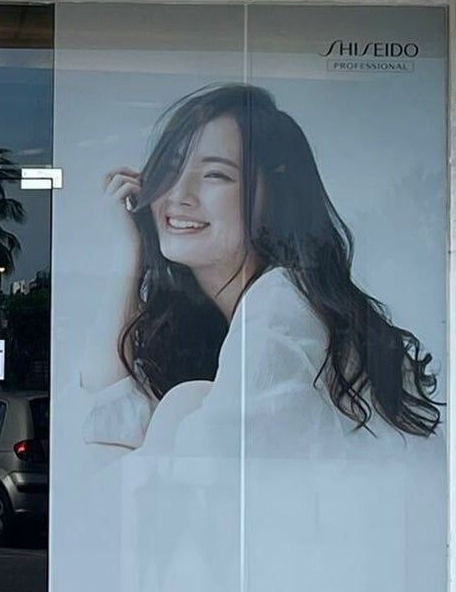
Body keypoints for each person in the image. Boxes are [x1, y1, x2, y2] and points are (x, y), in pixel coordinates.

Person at [81, 83, 445, 592]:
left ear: (272, 194)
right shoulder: (259, 310)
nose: (178, 194)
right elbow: (107, 414)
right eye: (171, 169)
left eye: (214, 175)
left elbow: (128, 501)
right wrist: (128, 258)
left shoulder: (281, 308)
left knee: (183, 407)